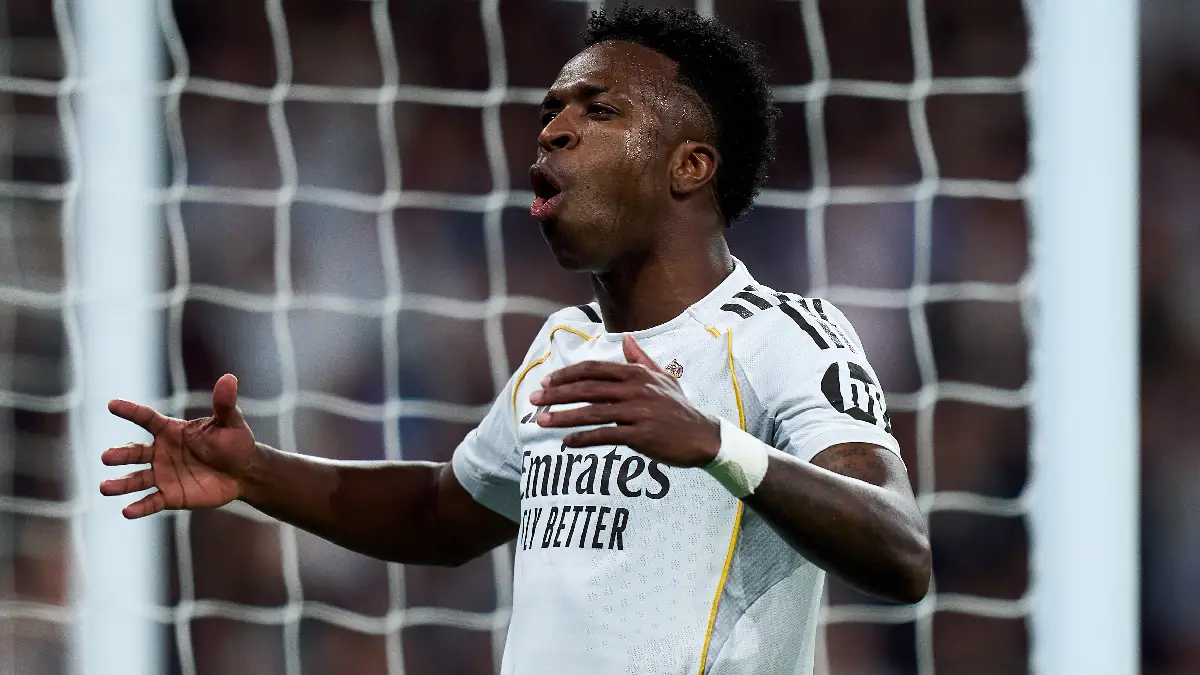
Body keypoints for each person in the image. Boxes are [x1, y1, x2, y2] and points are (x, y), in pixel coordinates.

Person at [100, 5, 930, 674]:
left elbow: (901, 548)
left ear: (691, 166)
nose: (554, 130)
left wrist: (718, 445)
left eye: (599, 109)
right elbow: (439, 513)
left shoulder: (782, 333)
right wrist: (254, 471)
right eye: (553, 110)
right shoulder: (562, 345)